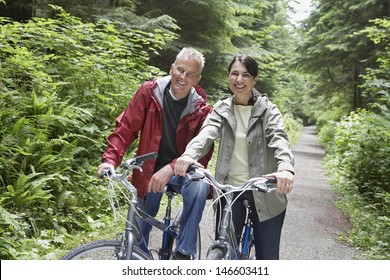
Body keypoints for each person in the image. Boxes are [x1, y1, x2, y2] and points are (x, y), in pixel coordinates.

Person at [97, 47, 213, 260]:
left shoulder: (202, 109)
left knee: (200, 185)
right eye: (180, 70)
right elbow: (126, 128)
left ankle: (184, 253)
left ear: (197, 79)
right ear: (171, 69)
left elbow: (202, 154)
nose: (183, 77)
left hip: (182, 173)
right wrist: (110, 160)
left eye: (190, 74)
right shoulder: (149, 92)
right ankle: (139, 260)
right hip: (148, 172)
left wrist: (171, 169)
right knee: (136, 240)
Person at [174, 54, 294, 260]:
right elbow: (206, 134)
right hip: (230, 192)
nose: (239, 80)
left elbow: (279, 139)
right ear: (228, 77)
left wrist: (285, 169)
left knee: (268, 257)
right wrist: (188, 155)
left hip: (264, 193)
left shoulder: (268, 111)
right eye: (234, 74)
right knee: (225, 251)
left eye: (245, 75)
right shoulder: (222, 109)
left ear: (254, 80)